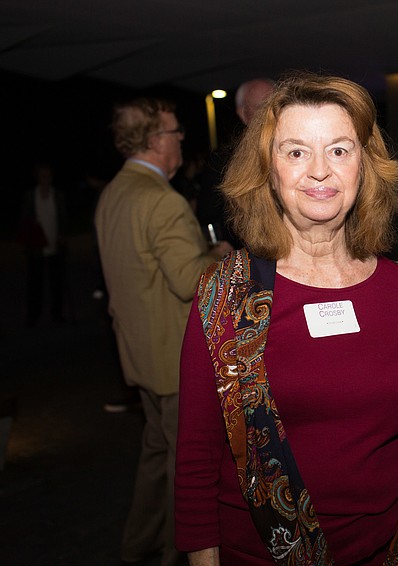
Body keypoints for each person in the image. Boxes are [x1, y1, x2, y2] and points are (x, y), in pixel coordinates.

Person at [175, 72, 398, 566]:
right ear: (267, 169)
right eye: (296, 151)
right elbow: (195, 461)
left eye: (339, 150)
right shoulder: (225, 297)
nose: (319, 171)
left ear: (365, 166)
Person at [95, 97, 232, 566]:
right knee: (187, 469)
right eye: (175, 134)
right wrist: (220, 255)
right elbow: (189, 280)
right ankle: (178, 553)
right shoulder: (161, 199)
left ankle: (138, 546)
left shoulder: (115, 191)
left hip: (137, 353)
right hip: (172, 360)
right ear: (155, 141)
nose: (180, 141)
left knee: (155, 457)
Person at [195, 78, 275, 248]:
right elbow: (209, 215)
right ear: (243, 113)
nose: (270, 115)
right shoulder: (223, 161)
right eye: (261, 108)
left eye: (276, 106)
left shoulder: (299, 151)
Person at [17, 162, 67, 325]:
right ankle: (33, 315)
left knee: (56, 283)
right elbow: (25, 220)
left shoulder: (57, 195)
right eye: (42, 176)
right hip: (36, 247)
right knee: (34, 283)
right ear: (37, 178)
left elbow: (62, 219)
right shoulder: (30, 196)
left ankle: (57, 314)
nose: (46, 179)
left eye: (48, 175)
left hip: (55, 246)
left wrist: (62, 235)